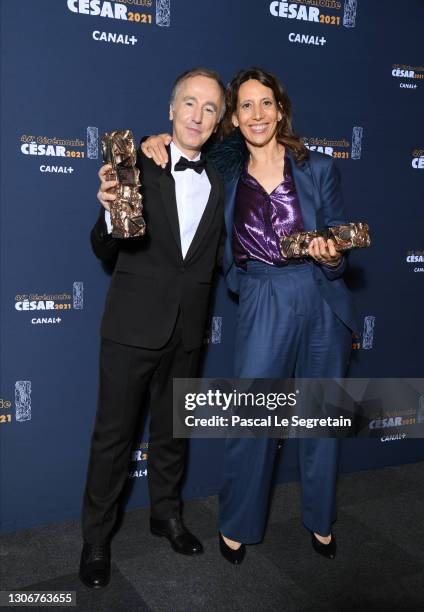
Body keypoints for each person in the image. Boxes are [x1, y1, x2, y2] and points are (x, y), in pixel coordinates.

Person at [142, 67, 358, 566]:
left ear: (280, 110)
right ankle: (238, 522)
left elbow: (342, 240)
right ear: (233, 120)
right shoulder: (224, 173)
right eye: (245, 106)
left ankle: (321, 519)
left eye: (266, 104)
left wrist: (332, 254)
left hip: (322, 297)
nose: (256, 114)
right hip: (263, 293)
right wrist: (152, 140)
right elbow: (177, 148)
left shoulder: (318, 168)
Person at [80, 67, 226, 589]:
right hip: (130, 326)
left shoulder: (223, 178)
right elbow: (103, 247)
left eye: (210, 109)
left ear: (218, 122)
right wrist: (104, 214)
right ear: (170, 110)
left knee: (173, 433)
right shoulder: (136, 164)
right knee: (113, 440)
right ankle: (96, 539)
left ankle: (166, 514)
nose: (198, 116)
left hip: (188, 330)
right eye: (190, 103)